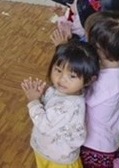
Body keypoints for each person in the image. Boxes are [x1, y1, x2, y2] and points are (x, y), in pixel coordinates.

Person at [22, 40, 100, 168]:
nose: (62, 79)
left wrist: (34, 101)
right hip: (49, 152)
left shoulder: (68, 105)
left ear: (88, 80)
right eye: (58, 70)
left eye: (72, 76)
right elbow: (50, 109)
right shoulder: (61, 90)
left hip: (58, 161)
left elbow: (45, 124)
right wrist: (40, 97)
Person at [81, 12, 119, 168]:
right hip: (108, 139)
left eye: (87, 38)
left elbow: (79, 95)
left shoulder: (105, 82)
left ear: (99, 48)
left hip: (96, 145)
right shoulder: (117, 66)